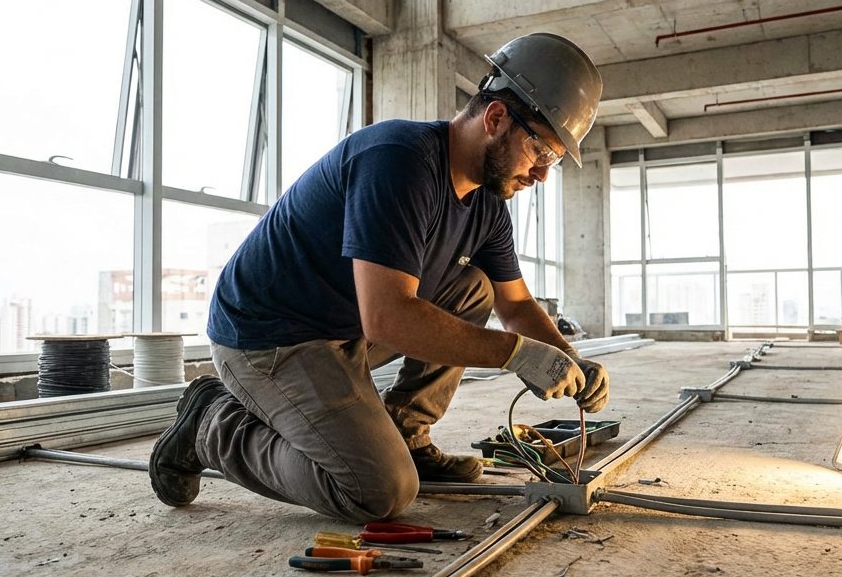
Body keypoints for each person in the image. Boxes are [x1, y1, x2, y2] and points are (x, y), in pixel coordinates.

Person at [148, 33, 610, 522]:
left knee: (473, 285)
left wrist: (569, 359)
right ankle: (211, 425)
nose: (541, 173)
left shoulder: (487, 204)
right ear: (495, 118)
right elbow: (387, 318)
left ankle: (408, 432)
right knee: (378, 490)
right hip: (270, 338)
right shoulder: (399, 161)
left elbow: (514, 306)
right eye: (540, 150)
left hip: (343, 329)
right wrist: (516, 355)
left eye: (553, 160)